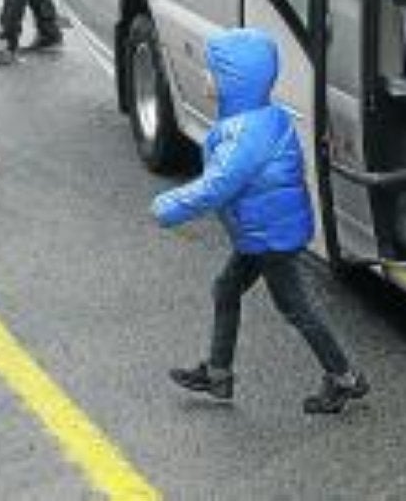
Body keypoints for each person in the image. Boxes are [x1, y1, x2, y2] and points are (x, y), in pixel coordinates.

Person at [151, 28, 369, 416]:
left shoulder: (245, 135)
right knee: (226, 288)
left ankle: (344, 377)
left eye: (211, 71)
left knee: (297, 308)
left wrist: (167, 207)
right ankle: (218, 374)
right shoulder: (263, 117)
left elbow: (217, 186)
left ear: (235, 81)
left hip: (270, 237)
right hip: (261, 231)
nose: (205, 77)